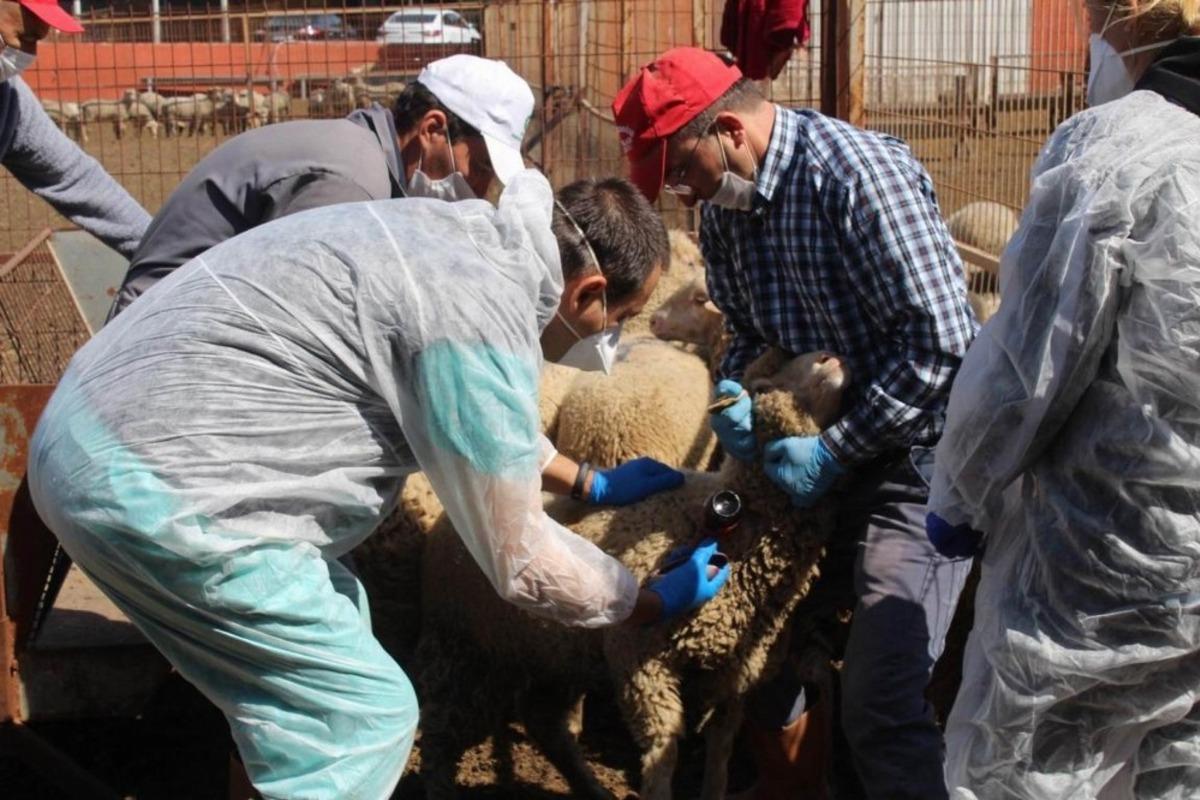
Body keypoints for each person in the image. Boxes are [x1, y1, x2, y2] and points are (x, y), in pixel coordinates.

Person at [27, 170, 729, 799]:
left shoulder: (462, 239)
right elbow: (522, 562)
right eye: (621, 320)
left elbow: (478, 419)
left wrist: (589, 482)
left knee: (332, 624)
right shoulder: (477, 316)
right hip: (151, 486)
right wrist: (645, 601)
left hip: (90, 426)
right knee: (362, 716)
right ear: (589, 290)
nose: (614, 339)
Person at [613, 47, 978, 799]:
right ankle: (797, 783)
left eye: (682, 170)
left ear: (727, 131)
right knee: (751, 652)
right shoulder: (726, 213)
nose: (681, 195)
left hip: (910, 462)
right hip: (795, 458)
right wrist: (736, 402)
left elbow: (945, 344)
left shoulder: (855, 180)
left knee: (880, 693)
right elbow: (744, 329)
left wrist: (835, 451)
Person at [925, 0, 1200, 796]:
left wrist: (960, 491)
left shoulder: (1119, 147)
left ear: (1123, 26)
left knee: (1025, 770)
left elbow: (1028, 363)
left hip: (1099, 567)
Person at [107, 53, 534, 317]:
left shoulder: (364, 155)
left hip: (184, 320)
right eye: (478, 167)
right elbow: (298, 313)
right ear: (432, 129)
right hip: (156, 348)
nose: (479, 190)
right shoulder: (352, 184)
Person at [0, 0, 149, 259]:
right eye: (25, 35)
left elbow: (76, 178)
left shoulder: (9, 99)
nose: (27, 51)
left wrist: (166, 254)